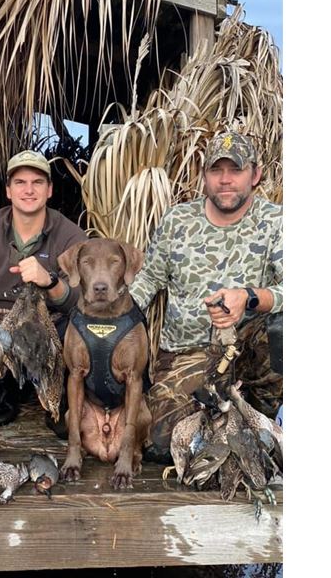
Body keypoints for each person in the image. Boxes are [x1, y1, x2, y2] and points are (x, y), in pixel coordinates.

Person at [128, 132, 283, 462]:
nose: (225, 180)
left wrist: (249, 297)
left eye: (236, 170)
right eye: (216, 170)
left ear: (255, 175)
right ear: (204, 175)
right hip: (188, 354)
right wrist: (112, 321)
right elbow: (148, 280)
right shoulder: (177, 221)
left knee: (282, 324)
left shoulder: (276, 222)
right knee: (161, 444)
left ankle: (260, 410)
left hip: (248, 353)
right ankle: (226, 419)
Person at [0, 150, 87, 426]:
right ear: (8, 191)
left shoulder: (71, 235)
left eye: (37, 182)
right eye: (20, 182)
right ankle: (9, 389)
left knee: (78, 336)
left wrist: (50, 281)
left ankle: (54, 397)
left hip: (46, 326)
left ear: (49, 190)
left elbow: (81, 301)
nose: (29, 190)